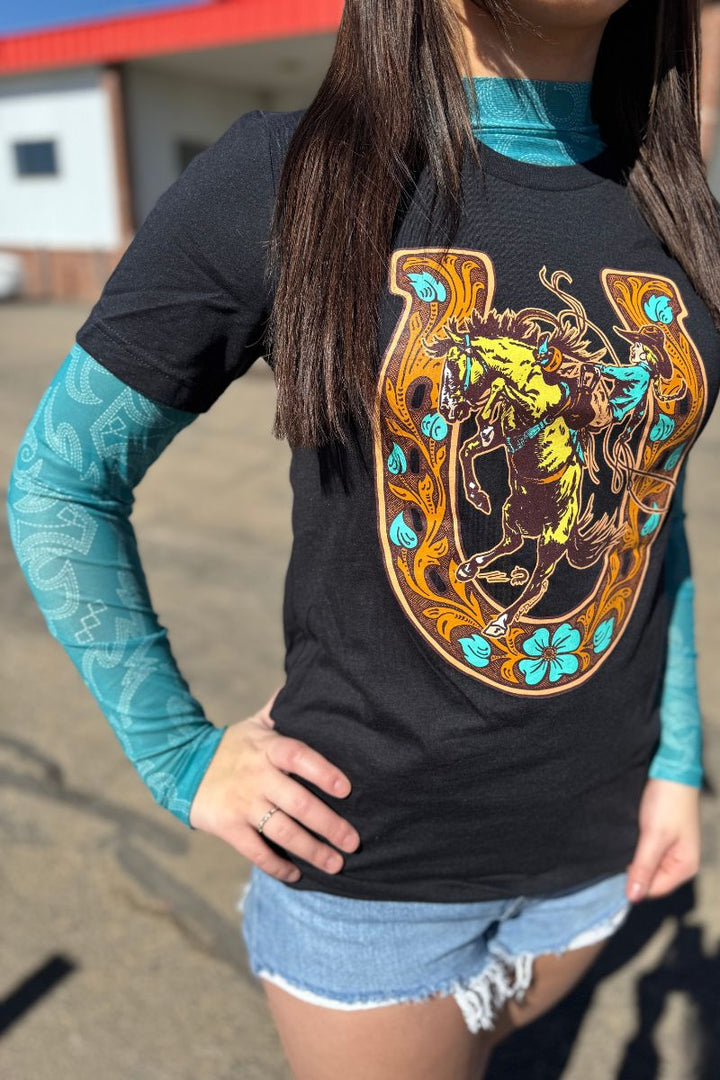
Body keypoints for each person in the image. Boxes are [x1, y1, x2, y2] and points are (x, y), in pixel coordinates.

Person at [5, 1, 715, 1077]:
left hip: (597, 854)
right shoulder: (286, 176)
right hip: (370, 877)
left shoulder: (677, 214)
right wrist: (178, 755)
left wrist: (676, 764)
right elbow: (63, 482)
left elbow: (650, 516)